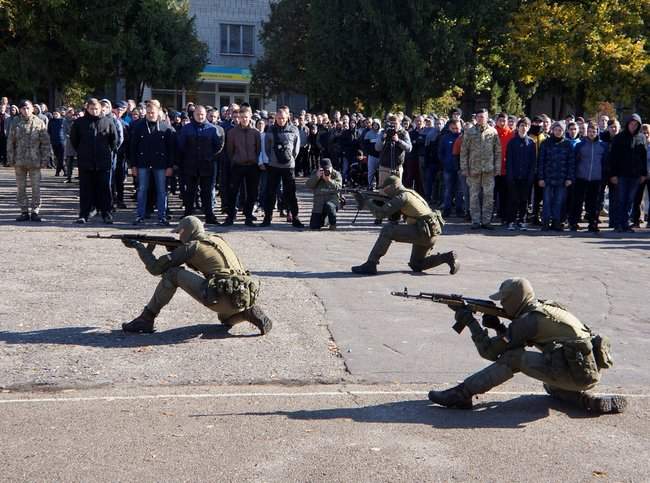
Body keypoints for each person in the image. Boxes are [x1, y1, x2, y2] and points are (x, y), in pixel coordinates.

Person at [428, 278, 627, 415]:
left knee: (514, 358)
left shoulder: (528, 321)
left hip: (574, 370)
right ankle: (589, 402)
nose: (503, 305)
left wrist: (470, 322)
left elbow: (489, 352)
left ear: (515, 299)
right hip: (585, 371)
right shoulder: (548, 307)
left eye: (505, 300)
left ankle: (461, 395)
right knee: (550, 386)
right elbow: (517, 338)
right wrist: (498, 327)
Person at [121, 216, 272, 335]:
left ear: (188, 231)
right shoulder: (216, 239)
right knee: (224, 318)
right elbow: (204, 263)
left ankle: (146, 319)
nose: (179, 236)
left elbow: (155, 269)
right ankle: (248, 312)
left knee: (173, 274)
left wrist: (139, 247)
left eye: (181, 232)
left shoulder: (191, 246)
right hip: (241, 296)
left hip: (222, 296)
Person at [351, 175, 459, 275]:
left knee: (387, 230)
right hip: (430, 233)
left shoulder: (402, 197)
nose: (384, 191)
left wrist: (367, 202)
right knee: (417, 264)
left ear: (393, 187)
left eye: (386, 189)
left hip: (423, 231)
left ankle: (371, 264)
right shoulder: (410, 193)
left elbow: (380, 214)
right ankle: (448, 257)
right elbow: (394, 218)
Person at [70, 98, 118, 224]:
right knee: (85, 190)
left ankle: (106, 213)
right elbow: (74, 140)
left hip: (103, 162)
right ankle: (84, 214)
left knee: (104, 189)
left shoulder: (108, 122)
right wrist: (82, 151)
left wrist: (106, 151)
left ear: (100, 109)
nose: (94, 111)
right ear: (87, 109)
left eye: (96, 109)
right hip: (86, 162)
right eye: (92, 109)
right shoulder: (79, 123)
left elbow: (114, 140)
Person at [130, 100, 176, 225]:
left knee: (162, 191)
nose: (151, 115)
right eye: (149, 112)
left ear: (158, 112)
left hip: (161, 164)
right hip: (142, 163)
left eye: (153, 112)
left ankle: (162, 216)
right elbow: (133, 147)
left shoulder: (166, 128)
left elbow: (171, 149)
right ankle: (140, 215)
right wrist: (133, 165)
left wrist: (170, 166)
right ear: (145, 112)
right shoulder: (139, 127)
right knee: (142, 190)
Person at [177, 105, 224, 224]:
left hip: (207, 165)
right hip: (190, 165)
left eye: (202, 114)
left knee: (207, 192)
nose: (200, 116)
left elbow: (218, 146)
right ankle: (187, 214)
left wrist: (210, 157)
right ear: (193, 115)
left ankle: (209, 215)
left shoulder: (212, 129)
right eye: (198, 114)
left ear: (205, 115)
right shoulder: (186, 129)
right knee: (190, 191)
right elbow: (181, 146)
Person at [6, 100, 51, 222]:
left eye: (28, 108)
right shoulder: (16, 123)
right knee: (21, 188)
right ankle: (24, 211)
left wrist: (45, 159)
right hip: (19, 161)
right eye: (23, 108)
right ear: (20, 110)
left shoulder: (39, 122)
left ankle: (35, 211)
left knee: (36, 188)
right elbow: (10, 142)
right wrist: (10, 158)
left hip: (35, 161)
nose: (25, 110)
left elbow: (45, 143)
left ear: (32, 109)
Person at [261, 106, 304, 228]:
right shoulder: (270, 129)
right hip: (273, 166)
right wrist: (272, 159)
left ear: (288, 117)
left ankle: (295, 217)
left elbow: (296, 149)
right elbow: (267, 148)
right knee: (270, 193)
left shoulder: (294, 129)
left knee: (290, 193)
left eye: (283, 118)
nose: (281, 120)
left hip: (288, 166)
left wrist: (290, 159)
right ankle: (267, 217)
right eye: (279, 118)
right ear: (276, 118)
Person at [460, 108, 501, 230]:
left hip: (489, 169)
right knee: (474, 196)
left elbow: (498, 151)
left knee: (488, 196)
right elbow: (464, 151)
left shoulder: (493, 132)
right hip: (474, 169)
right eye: (478, 117)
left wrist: (497, 167)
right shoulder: (470, 131)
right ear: (476, 118)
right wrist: (464, 168)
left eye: (482, 117)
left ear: (487, 117)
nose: (480, 119)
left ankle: (486, 221)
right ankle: (476, 221)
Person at [608, 114, 647, 232]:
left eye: (636, 124)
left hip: (635, 175)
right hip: (621, 175)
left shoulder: (641, 138)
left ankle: (626, 223)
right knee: (621, 199)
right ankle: (618, 223)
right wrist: (613, 174)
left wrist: (643, 174)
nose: (633, 126)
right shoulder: (619, 138)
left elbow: (643, 157)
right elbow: (613, 158)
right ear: (628, 123)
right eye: (631, 124)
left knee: (630, 200)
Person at [224, 105, 261, 226]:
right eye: (241, 117)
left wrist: (254, 160)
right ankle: (230, 216)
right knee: (233, 191)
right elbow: (230, 150)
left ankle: (248, 216)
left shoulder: (256, 132)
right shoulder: (232, 132)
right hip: (238, 165)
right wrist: (234, 160)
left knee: (252, 193)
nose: (244, 119)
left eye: (246, 117)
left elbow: (258, 149)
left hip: (252, 166)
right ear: (238, 118)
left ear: (250, 117)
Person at [569, 122, 608, 232]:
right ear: (587, 132)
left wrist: (603, 178)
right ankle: (574, 223)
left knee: (594, 204)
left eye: (594, 131)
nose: (592, 133)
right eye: (590, 131)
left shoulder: (603, 146)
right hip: (581, 177)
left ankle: (593, 224)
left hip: (596, 179)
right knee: (577, 202)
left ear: (597, 132)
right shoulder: (580, 145)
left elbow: (605, 163)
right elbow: (575, 161)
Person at [538, 121, 575, 231]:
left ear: (563, 131)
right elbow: (541, 161)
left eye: (560, 130)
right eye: (556, 130)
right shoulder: (545, 143)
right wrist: (540, 178)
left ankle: (556, 223)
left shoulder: (568, 144)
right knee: (547, 201)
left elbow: (571, 163)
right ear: (552, 130)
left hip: (562, 179)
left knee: (559, 202)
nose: (558, 132)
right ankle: (545, 223)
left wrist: (569, 178)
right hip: (548, 178)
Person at [505, 118, 536, 230]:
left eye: (526, 126)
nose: (524, 128)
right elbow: (509, 161)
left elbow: (533, 162)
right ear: (517, 127)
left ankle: (522, 221)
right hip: (514, 176)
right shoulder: (512, 143)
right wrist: (510, 176)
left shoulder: (531, 143)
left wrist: (531, 176)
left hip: (526, 177)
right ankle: (511, 221)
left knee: (524, 200)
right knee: (513, 199)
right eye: (522, 125)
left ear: (528, 128)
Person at [375, 114, 412, 186]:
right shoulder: (383, 132)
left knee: (396, 191)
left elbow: (409, 148)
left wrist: (398, 141)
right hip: (384, 166)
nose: (393, 126)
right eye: (391, 123)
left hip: (397, 167)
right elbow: (377, 148)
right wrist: (383, 138)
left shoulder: (404, 133)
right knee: (383, 190)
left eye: (395, 124)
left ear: (399, 123)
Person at [306, 158, 342, 230]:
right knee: (314, 226)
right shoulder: (316, 173)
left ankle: (333, 224)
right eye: (324, 169)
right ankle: (325, 219)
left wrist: (329, 180)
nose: (326, 171)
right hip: (319, 204)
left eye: (327, 169)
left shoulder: (336, 174)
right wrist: (317, 177)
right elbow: (309, 185)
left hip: (332, 201)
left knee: (329, 206)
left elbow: (339, 187)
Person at [47, 110, 66, 176]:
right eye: (54, 114)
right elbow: (49, 130)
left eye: (56, 113)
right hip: (54, 141)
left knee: (61, 157)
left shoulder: (63, 120)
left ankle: (58, 172)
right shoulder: (51, 121)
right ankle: (64, 171)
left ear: (59, 114)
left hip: (62, 141)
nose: (55, 115)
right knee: (58, 157)